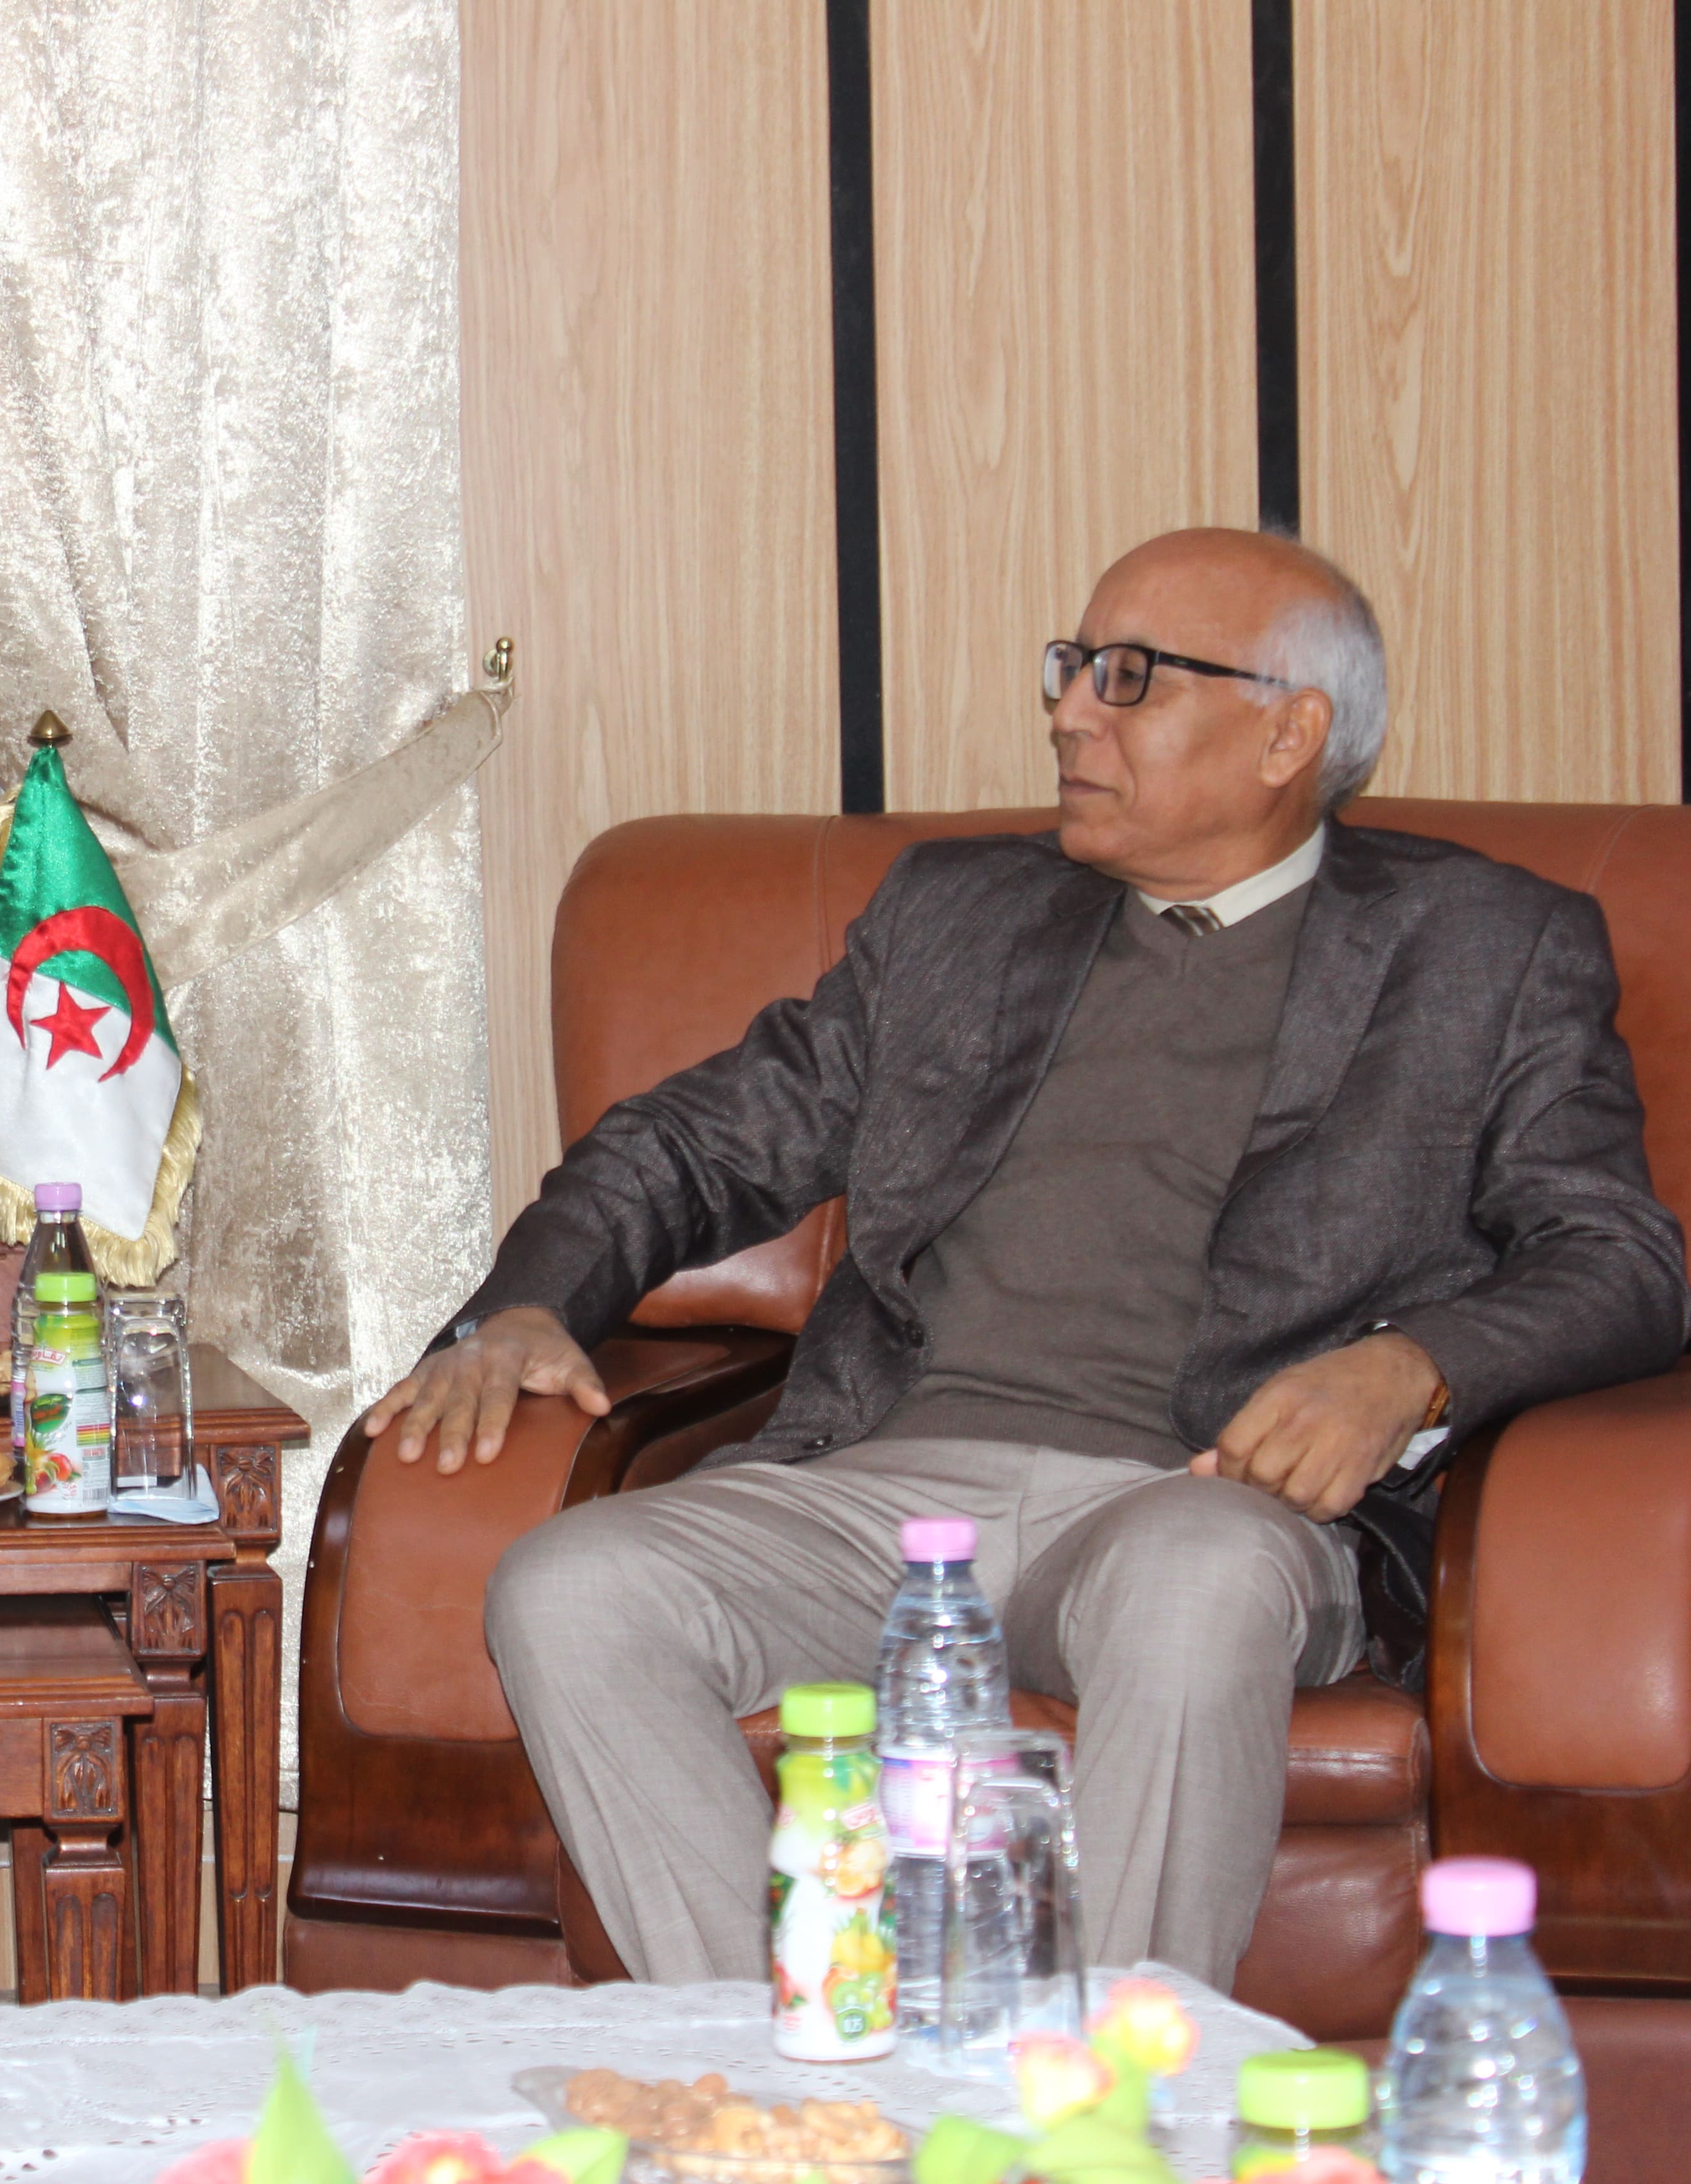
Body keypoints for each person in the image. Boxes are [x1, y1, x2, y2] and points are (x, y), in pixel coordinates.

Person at [366, 528, 1688, 1989]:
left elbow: (1620, 1257)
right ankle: (786, 2077)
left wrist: (1408, 1370)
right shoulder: (961, 917)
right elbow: (695, 1143)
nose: (1068, 713)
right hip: (880, 1494)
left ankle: (1108, 2097)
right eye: (1071, 667)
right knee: (572, 1587)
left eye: (1129, 678)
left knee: (1199, 1580)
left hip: (1198, 1498)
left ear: (1289, 734)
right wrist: (525, 1306)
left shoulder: (1487, 947)